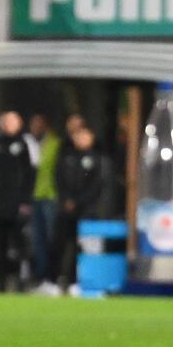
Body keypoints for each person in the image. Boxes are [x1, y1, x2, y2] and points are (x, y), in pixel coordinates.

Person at [50, 122, 110, 295]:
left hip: (86, 211)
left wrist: (78, 202)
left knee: (83, 248)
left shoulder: (97, 159)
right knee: (59, 245)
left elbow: (96, 186)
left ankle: (79, 282)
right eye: (78, 135)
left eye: (85, 135)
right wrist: (66, 200)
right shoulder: (66, 157)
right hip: (65, 210)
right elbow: (58, 180)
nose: (81, 139)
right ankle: (55, 281)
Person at [0, 110, 35, 293]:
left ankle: (21, 282)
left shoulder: (23, 144)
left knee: (20, 245)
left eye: (14, 121)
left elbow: (29, 174)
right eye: (7, 121)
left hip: (16, 203)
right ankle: (0, 283)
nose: (10, 125)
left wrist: (25, 201)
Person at [28, 113, 62, 288]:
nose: (35, 128)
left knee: (51, 238)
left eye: (39, 124)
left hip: (50, 196)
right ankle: (41, 274)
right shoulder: (29, 144)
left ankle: (52, 274)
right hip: (36, 196)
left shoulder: (54, 143)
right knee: (38, 239)